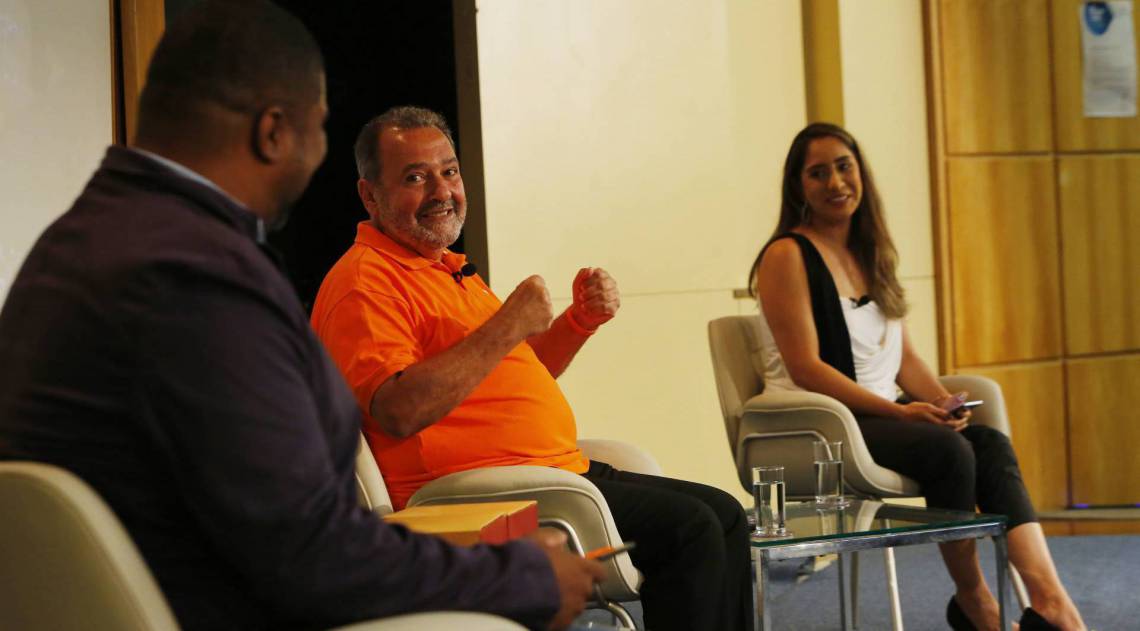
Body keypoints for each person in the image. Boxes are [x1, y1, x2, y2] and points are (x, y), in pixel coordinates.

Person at [0, 3, 604, 630]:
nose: (316, 158)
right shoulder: (196, 278)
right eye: (318, 131)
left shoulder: (75, 245)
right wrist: (519, 575)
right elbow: (314, 554)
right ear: (273, 133)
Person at [311, 106, 753, 631]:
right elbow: (398, 410)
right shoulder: (366, 281)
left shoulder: (446, 268)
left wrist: (578, 321)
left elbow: (514, 373)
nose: (441, 191)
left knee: (725, 515)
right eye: (415, 177)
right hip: (471, 501)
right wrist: (508, 323)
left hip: (551, 475)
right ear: (370, 195)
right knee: (691, 531)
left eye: (449, 171)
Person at [748, 123, 1086, 631]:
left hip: (882, 414)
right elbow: (807, 369)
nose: (836, 182)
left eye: (844, 166)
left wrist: (944, 403)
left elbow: (904, 360)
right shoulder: (786, 255)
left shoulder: (871, 252)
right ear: (799, 187)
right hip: (820, 424)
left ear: (861, 172)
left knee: (986, 441)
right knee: (947, 451)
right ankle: (976, 602)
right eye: (818, 174)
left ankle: (1052, 603)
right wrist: (903, 411)